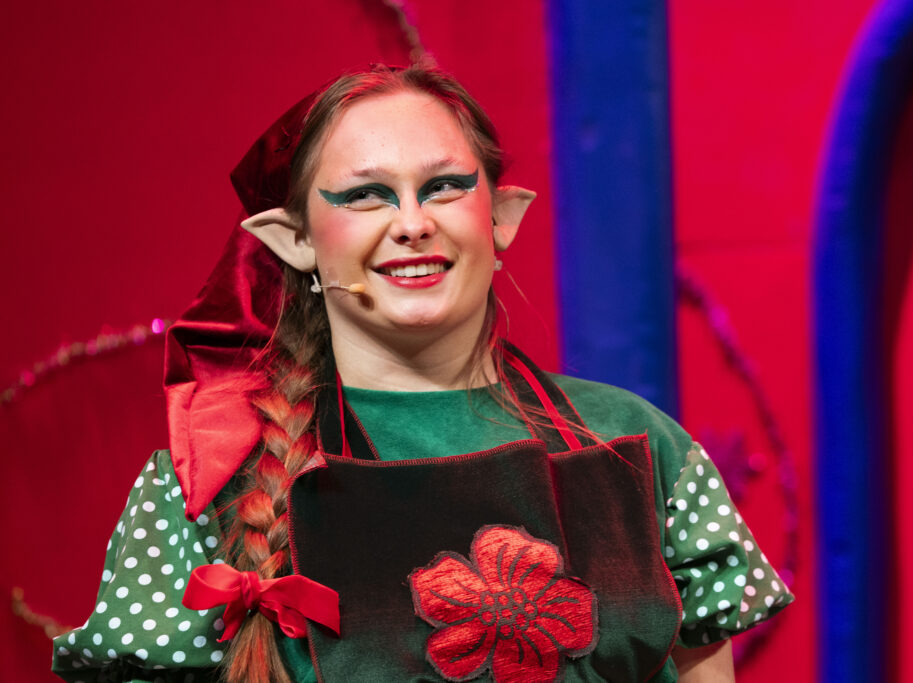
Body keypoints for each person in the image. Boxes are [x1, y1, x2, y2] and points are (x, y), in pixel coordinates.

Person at [52, 64, 792, 683]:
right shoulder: (212, 472)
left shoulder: (635, 442)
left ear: (501, 219)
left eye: (443, 186)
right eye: (364, 194)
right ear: (294, 240)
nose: (412, 222)